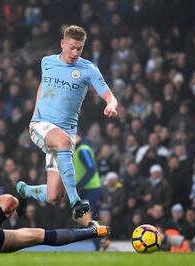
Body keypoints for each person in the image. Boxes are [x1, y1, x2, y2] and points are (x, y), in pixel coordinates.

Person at [16, 25, 118, 222]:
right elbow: (43, 85)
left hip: (66, 133)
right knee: (62, 142)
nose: (75, 52)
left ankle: (24, 190)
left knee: (54, 196)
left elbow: (110, 97)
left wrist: (111, 105)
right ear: (62, 43)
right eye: (71, 47)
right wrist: (34, 115)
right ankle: (76, 202)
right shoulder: (47, 62)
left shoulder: (89, 70)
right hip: (41, 125)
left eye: (79, 48)